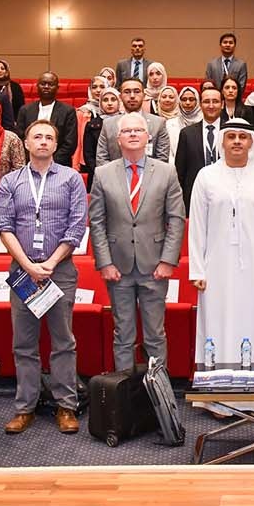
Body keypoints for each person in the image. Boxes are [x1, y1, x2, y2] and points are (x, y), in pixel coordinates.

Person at [0, 120, 89, 435]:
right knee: (24, 343)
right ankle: (25, 407)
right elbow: (4, 227)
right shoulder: (10, 181)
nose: (43, 142)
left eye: (49, 137)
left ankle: (66, 406)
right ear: (26, 143)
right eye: (37, 136)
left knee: (63, 341)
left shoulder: (71, 178)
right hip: (23, 271)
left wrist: (49, 263)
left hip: (59, 270)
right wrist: (28, 266)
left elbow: (76, 226)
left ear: (56, 145)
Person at [188, 120, 254, 397]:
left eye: (242, 137)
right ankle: (218, 396)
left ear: (251, 142)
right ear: (222, 142)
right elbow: (197, 226)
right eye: (231, 136)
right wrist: (197, 270)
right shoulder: (206, 176)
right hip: (216, 269)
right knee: (217, 327)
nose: (236, 142)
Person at [89, 112, 185, 372]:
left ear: (148, 137)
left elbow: (176, 219)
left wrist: (168, 261)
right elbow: (96, 221)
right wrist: (104, 263)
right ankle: (124, 392)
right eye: (127, 131)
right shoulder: (102, 173)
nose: (132, 134)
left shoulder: (166, 172)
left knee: (155, 335)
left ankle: (158, 391)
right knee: (123, 335)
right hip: (117, 268)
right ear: (118, 138)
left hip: (155, 266)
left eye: (138, 130)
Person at [97, 78, 171, 166]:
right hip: (114, 174)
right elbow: (101, 159)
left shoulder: (158, 123)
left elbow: (162, 160)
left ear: (144, 95)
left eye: (137, 91)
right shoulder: (108, 124)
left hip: (151, 173)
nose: (132, 96)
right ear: (120, 97)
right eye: (127, 92)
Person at [175, 86, 226, 209]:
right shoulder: (187, 134)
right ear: (200, 104)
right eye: (206, 101)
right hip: (194, 197)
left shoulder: (231, 132)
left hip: (226, 195)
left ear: (222, 104)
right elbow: (180, 172)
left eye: (215, 101)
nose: (211, 105)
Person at [14, 71, 78, 167]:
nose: (46, 87)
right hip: (30, 163)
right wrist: (33, 158)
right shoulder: (25, 110)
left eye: (50, 84)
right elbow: (20, 139)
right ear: (37, 86)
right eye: (43, 84)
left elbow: (70, 143)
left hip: (59, 165)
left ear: (57, 88)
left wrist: (50, 161)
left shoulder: (68, 111)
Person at [74, 77, 110, 184]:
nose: (98, 90)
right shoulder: (83, 112)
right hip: (88, 161)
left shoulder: (117, 112)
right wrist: (76, 163)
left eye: (102, 86)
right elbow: (78, 140)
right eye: (94, 87)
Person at [154, 86, 183, 160]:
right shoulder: (153, 119)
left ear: (176, 100)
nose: (167, 100)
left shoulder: (182, 120)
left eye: (171, 97)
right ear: (159, 100)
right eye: (164, 97)